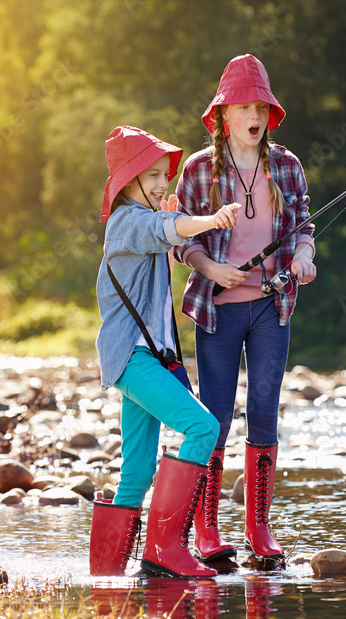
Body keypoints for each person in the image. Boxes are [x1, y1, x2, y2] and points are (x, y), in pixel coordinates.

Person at [174, 54, 316, 564]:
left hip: (272, 307)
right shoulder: (196, 170)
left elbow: (303, 226)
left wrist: (304, 257)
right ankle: (206, 529)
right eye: (243, 106)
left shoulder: (287, 166)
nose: (254, 115)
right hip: (217, 311)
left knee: (263, 410)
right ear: (223, 115)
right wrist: (210, 270)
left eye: (261, 106)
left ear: (270, 114)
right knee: (214, 418)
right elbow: (179, 238)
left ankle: (260, 530)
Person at [90, 125, 241, 578]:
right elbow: (168, 227)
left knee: (136, 468)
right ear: (126, 182)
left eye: (163, 174)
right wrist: (212, 220)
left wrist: (177, 220)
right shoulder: (129, 221)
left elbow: (167, 229)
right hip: (133, 359)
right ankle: (164, 549)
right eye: (150, 175)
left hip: (140, 358)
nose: (161, 183)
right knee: (203, 426)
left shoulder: (139, 220)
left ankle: (107, 573)